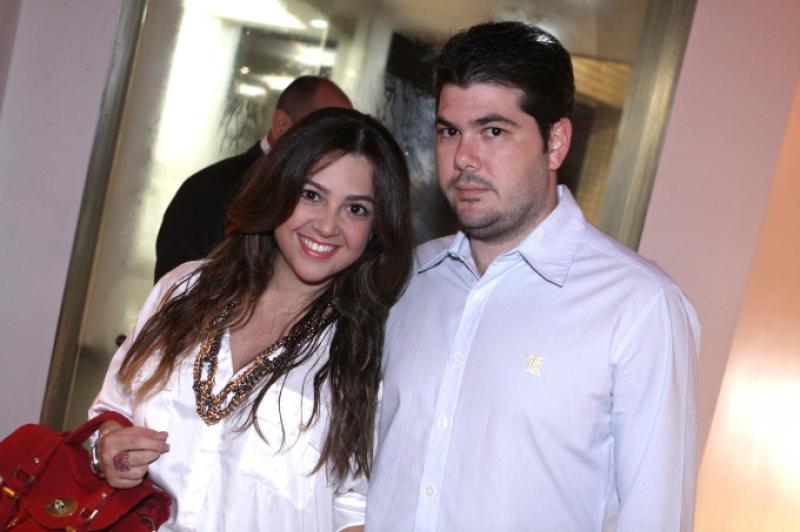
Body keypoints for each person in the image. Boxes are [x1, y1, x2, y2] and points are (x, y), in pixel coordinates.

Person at [365, 21, 700, 531]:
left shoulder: (639, 307)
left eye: (493, 131)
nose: (463, 158)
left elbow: (655, 518)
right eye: (449, 131)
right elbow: (359, 456)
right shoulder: (410, 279)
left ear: (556, 142)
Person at [90, 107, 412, 531]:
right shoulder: (183, 289)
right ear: (278, 189)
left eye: (355, 209)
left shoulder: (371, 352)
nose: (327, 225)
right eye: (311, 195)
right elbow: (111, 407)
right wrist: (106, 448)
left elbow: (358, 506)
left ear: (376, 228)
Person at [154, 75, 353, 282]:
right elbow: (177, 289)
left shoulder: (343, 199)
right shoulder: (209, 189)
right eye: (325, 133)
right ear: (281, 125)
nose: (341, 148)